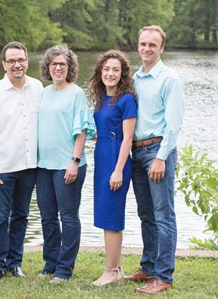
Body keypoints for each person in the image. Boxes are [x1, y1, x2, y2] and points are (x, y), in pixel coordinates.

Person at [125, 25, 185, 294]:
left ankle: (163, 276)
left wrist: (161, 158)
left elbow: (173, 125)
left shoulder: (169, 79)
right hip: (137, 152)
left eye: (153, 44)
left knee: (163, 214)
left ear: (161, 48)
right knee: (146, 214)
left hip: (158, 152)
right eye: (143, 44)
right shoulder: (135, 78)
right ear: (138, 46)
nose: (147, 48)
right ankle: (148, 267)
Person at [0, 41, 43, 279]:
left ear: (27, 61)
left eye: (21, 60)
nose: (17, 64)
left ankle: (15, 263)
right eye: (12, 61)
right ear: (4, 64)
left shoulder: (38, 88)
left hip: (29, 166)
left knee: (21, 216)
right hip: (2, 168)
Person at [36, 45, 95, 284]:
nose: (58, 68)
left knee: (68, 216)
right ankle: (50, 263)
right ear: (47, 67)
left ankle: (64, 269)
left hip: (68, 165)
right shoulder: (44, 92)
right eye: (54, 64)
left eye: (63, 64)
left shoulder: (76, 94)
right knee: (47, 216)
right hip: (43, 165)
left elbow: (81, 130)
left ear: (69, 68)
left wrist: (74, 161)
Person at [89, 50, 137, 287]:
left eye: (115, 69)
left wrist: (118, 170)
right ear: (100, 71)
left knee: (112, 215)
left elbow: (127, 138)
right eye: (106, 69)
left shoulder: (126, 99)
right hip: (102, 156)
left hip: (116, 160)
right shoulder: (102, 98)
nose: (110, 73)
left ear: (123, 73)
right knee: (105, 212)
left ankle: (111, 271)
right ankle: (115, 269)